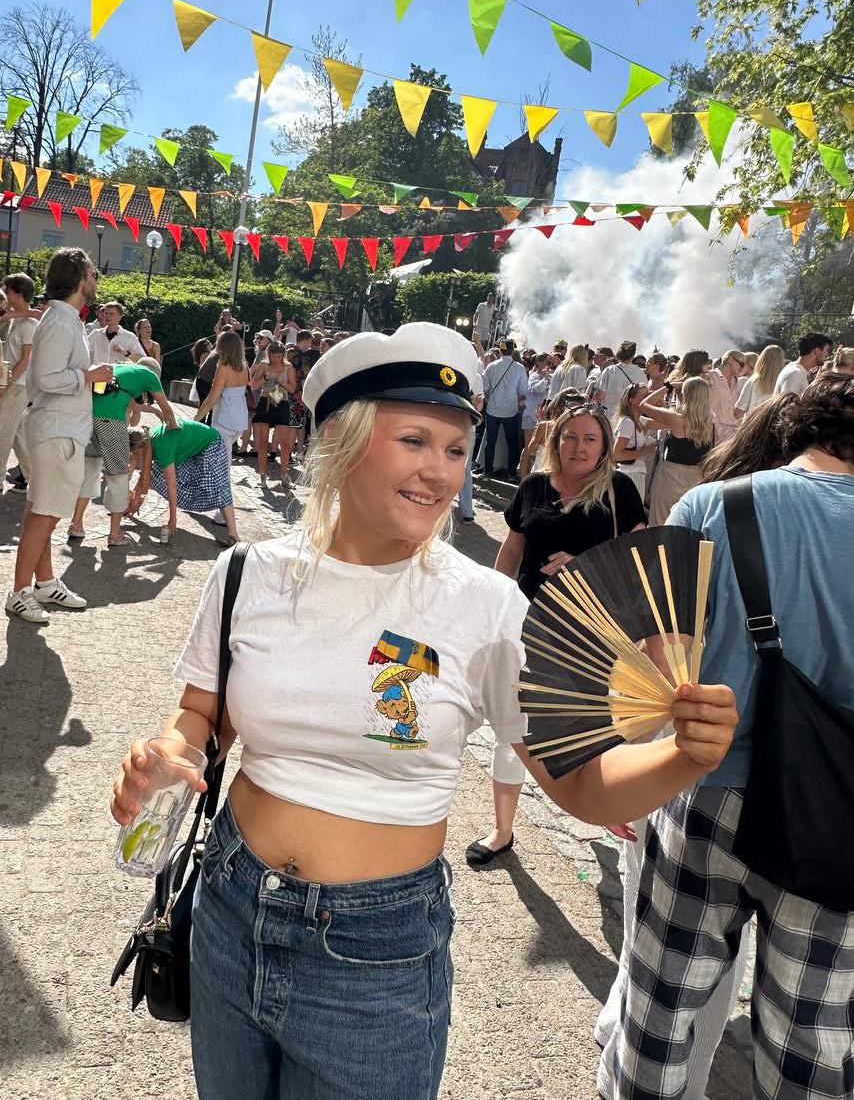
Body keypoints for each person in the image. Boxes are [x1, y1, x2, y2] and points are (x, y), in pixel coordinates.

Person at [110, 322, 737, 1100]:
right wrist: (169, 754)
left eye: (455, 449)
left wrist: (683, 754)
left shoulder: (486, 607)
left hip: (378, 957)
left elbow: (582, 784)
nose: (439, 471)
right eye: (414, 440)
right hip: (230, 911)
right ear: (342, 440)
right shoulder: (248, 575)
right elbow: (202, 716)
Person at [609, 373, 854, 1100]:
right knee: (810, 1037)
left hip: (703, 787)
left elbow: (658, 668)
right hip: (835, 812)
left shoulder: (713, 504)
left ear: (795, 432)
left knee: (658, 1010)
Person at [466, 401, 647, 866]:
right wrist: (493, 606)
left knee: (590, 724)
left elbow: (638, 559)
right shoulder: (534, 487)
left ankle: (602, 806)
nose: (578, 447)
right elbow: (511, 550)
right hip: (528, 623)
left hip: (591, 629)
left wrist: (584, 566)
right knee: (514, 725)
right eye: (570, 437)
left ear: (604, 446)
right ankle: (502, 829)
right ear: (556, 440)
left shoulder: (619, 490)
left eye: (590, 439)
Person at [5, 249, 112, 623]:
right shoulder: (61, 321)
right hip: (57, 430)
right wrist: (89, 376)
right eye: (93, 274)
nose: (96, 280)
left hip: (59, 428)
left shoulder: (64, 318)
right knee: (44, 515)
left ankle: (45, 582)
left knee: (43, 509)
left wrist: (87, 376)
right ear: (80, 278)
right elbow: (45, 378)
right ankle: (19, 593)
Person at [68, 360, 176, 546]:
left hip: (89, 418)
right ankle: (115, 533)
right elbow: (167, 409)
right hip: (111, 422)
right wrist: (173, 424)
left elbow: (132, 405)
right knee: (118, 475)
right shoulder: (150, 375)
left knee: (90, 471)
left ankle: (76, 524)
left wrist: (152, 411)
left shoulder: (120, 368)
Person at [127, 420, 239, 546]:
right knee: (156, 474)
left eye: (136, 452)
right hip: (192, 448)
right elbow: (145, 475)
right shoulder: (146, 437)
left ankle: (234, 536)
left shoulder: (162, 447)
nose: (136, 456)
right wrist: (136, 501)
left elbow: (172, 485)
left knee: (218, 488)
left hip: (212, 444)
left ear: (141, 447)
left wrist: (173, 518)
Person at [642, 376, 715, 525]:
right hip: (698, 478)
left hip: (671, 477)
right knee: (688, 525)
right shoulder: (710, 422)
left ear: (687, 394)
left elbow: (644, 405)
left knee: (660, 524)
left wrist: (668, 386)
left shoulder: (677, 419)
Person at [0, 273, 37, 487]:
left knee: (3, 434)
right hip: (13, 383)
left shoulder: (29, 324)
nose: (5, 294)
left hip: (17, 385)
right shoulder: (16, 319)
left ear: (16, 293)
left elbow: (25, 360)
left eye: (7, 290)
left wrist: (5, 385)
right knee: (16, 434)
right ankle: (37, 478)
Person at [194, 330, 250, 457]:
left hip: (225, 419)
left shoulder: (224, 368)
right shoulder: (244, 366)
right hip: (240, 419)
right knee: (226, 457)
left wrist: (196, 419)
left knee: (218, 461)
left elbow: (211, 399)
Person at [249, 340, 297, 485]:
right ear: (269, 355)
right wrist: (265, 377)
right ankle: (263, 474)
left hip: (282, 402)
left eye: (279, 357)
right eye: (273, 356)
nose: (276, 359)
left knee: (285, 443)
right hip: (266, 402)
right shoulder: (264, 365)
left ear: (283, 355)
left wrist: (281, 381)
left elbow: (292, 389)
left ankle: (284, 473)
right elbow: (253, 386)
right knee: (263, 442)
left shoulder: (288, 366)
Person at [482, 338, 528, 479]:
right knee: (512, 443)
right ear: (513, 350)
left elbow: (485, 388)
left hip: (492, 409)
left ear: (500, 350)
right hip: (510, 410)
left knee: (490, 442)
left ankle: (487, 470)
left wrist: (490, 398)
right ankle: (511, 472)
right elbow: (523, 391)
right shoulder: (520, 368)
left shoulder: (491, 366)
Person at [611, 383, 657, 498]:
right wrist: (645, 451)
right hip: (628, 475)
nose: (647, 399)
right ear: (632, 401)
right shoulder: (628, 423)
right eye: (644, 396)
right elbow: (616, 454)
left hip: (636, 473)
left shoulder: (640, 420)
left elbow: (667, 422)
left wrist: (660, 403)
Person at [591, 340, 646, 413]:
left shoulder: (609, 370)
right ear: (632, 356)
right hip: (629, 414)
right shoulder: (640, 373)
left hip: (609, 414)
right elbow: (644, 395)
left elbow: (600, 395)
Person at [734, 343, 786, 417]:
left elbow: (738, 412)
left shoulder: (753, 381)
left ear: (762, 359)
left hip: (752, 423)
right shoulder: (784, 382)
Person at [706, 348, 746, 441]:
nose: (742, 367)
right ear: (731, 360)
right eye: (741, 363)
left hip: (734, 434)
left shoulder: (738, 382)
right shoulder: (710, 376)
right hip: (715, 434)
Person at [521, 354, 551, 453]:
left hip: (540, 417)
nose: (549, 366)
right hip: (530, 417)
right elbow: (538, 389)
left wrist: (547, 378)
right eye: (548, 363)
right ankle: (523, 464)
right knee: (529, 447)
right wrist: (545, 378)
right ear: (539, 363)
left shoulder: (549, 377)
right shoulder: (534, 376)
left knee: (538, 449)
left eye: (551, 363)